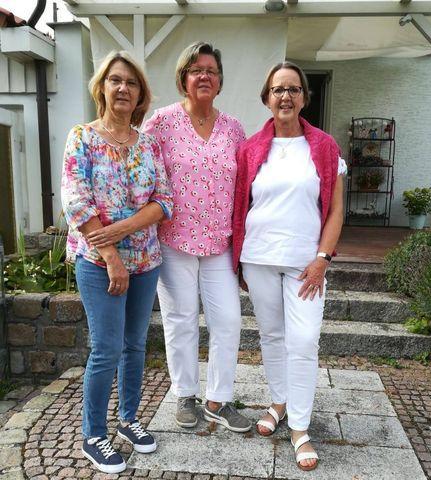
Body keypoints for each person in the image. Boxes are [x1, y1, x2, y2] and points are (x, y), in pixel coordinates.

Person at [61, 50, 173, 474]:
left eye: (131, 82)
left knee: (135, 345)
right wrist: (110, 254)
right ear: (102, 88)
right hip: (97, 261)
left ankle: (128, 419)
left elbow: (165, 200)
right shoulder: (82, 137)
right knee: (106, 348)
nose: (123, 88)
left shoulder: (149, 144)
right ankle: (93, 435)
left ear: (140, 94)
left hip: (146, 259)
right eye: (115, 80)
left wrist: (123, 229)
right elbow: (75, 200)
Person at [232, 62, 346, 471]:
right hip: (259, 258)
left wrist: (322, 259)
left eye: (293, 89)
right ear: (267, 97)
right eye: (278, 89)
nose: (285, 96)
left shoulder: (325, 147)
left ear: (304, 98)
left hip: (305, 265)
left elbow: (336, 210)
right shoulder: (249, 148)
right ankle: (279, 402)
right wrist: (237, 261)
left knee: (304, 340)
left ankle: (299, 427)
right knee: (272, 336)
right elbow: (240, 205)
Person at [143, 42, 251, 433]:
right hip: (174, 240)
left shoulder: (234, 128)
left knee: (229, 321)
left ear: (219, 81)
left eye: (211, 70)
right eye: (196, 70)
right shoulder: (161, 122)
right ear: (183, 78)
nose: (204, 76)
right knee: (181, 320)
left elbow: (245, 186)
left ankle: (218, 400)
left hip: (220, 243)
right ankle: (185, 394)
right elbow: (143, 174)